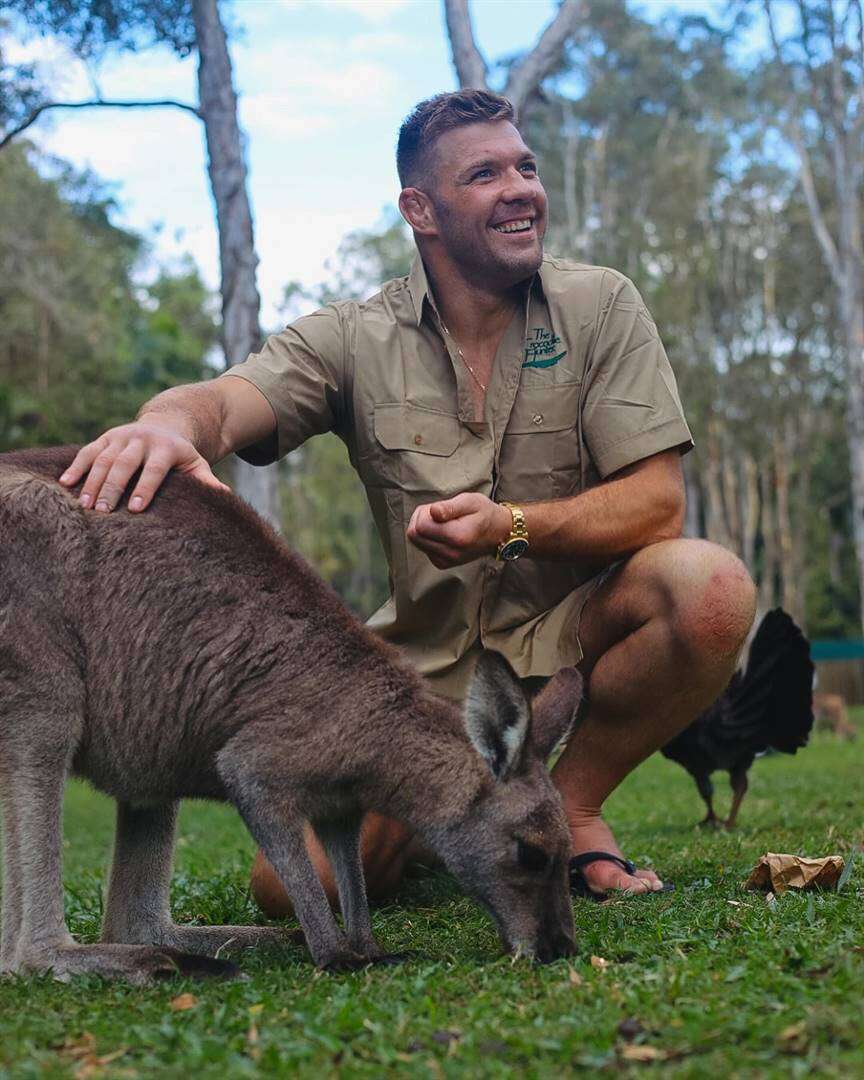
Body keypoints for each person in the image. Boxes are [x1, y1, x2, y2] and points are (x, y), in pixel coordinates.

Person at [59, 89, 756, 905]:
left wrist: (512, 528)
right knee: (293, 893)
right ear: (420, 209)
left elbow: (656, 503)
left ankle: (573, 806)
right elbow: (224, 401)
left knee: (710, 590)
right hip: (419, 683)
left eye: (526, 167)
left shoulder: (601, 306)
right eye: (486, 173)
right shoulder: (354, 336)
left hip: (573, 635)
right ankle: (469, 822)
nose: (522, 188)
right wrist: (165, 425)